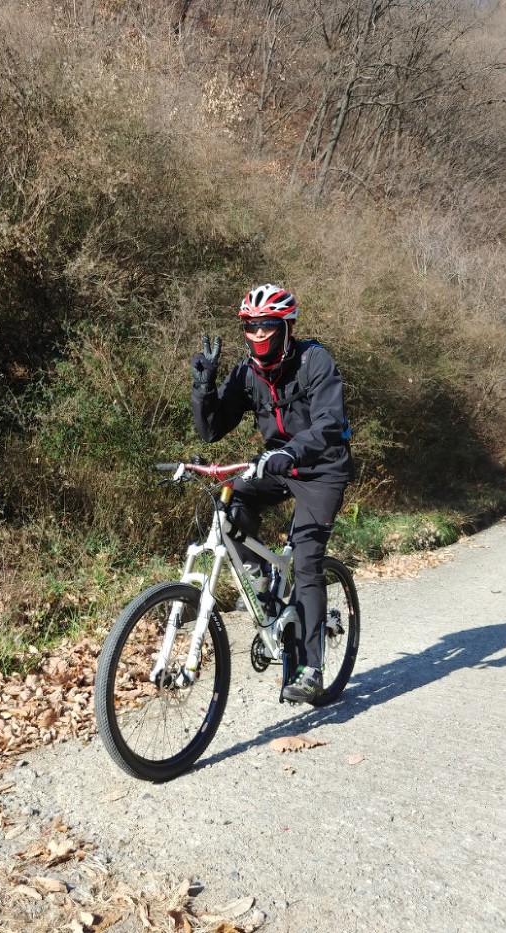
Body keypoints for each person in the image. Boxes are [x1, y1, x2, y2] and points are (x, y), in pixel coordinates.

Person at [190, 284, 354, 703]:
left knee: (307, 561)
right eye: (251, 326)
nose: (259, 333)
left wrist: (291, 451)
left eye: (267, 325)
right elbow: (211, 430)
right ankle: (261, 582)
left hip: (322, 468)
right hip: (276, 465)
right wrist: (203, 388)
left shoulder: (314, 360)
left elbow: (330, 422)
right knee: (230, 506)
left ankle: (311, 669)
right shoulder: (247, 373)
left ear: (286, 327)